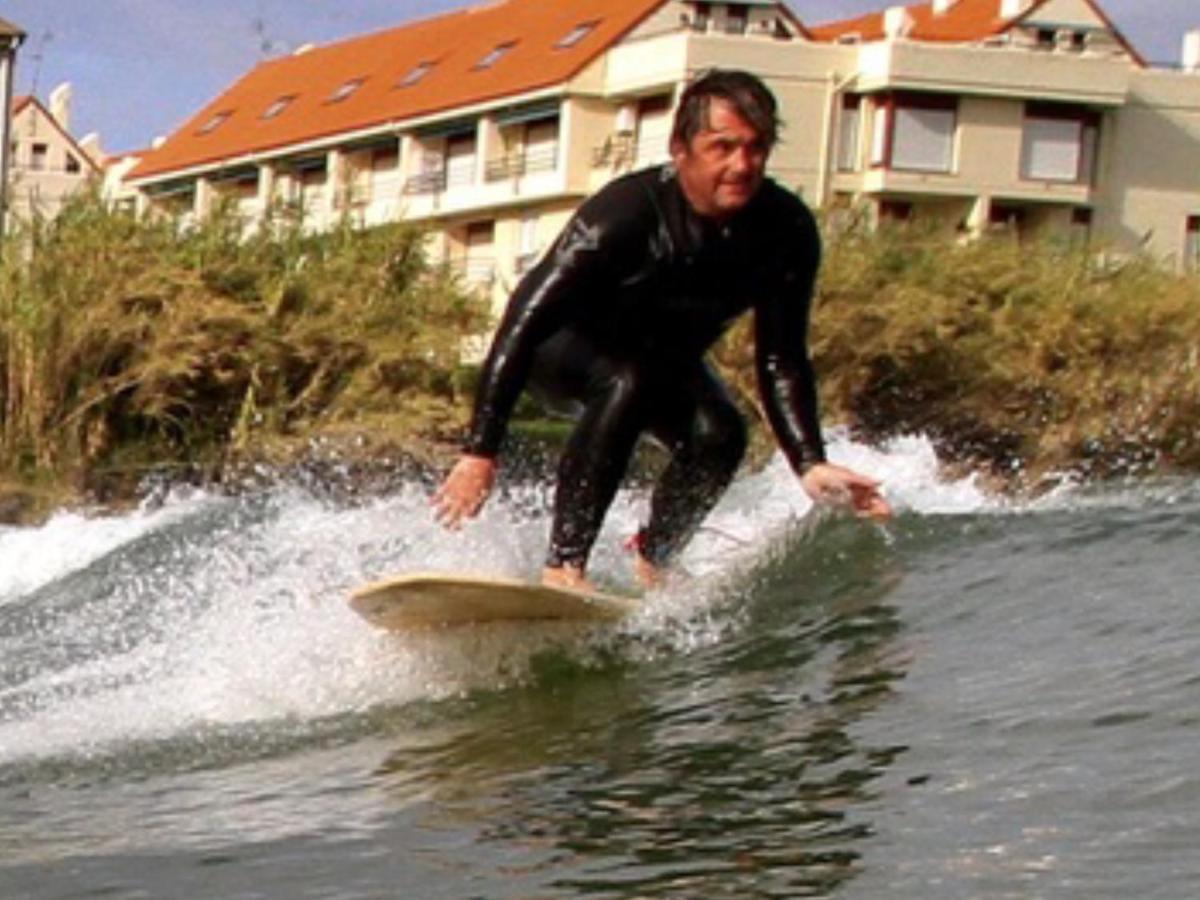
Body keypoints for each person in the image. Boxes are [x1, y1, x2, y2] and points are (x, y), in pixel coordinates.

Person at [433, 69, 891, 591]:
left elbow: (780, 356)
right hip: (562, 350)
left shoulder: (785, 230)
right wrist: (479, 451)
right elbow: (524, 321)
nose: (741, 165)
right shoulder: (625, 213)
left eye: (756, 148)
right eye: (722, 147)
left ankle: (655, 559)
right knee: (628, 379)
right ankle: (564, 567)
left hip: (661, 361)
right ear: (680, 149)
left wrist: (810, 463)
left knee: (721, 436)